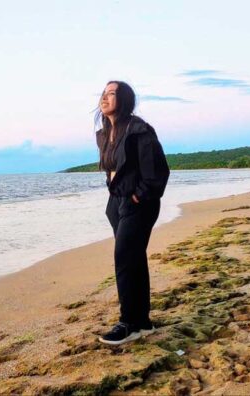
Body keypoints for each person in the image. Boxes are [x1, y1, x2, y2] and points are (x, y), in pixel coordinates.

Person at [94, 80, 170, 345]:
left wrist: (140, 194)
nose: (105, 98)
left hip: (140, 203)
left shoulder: (139, 130)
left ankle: (128, 322)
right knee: (134, 259)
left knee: (124, 257)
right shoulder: (104, 134)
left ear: (124, 100)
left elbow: (159, 171)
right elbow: (112, 170)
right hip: (117, 204)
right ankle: (142, 322)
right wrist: (114, 194)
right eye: (103, 94)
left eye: (111, 94)